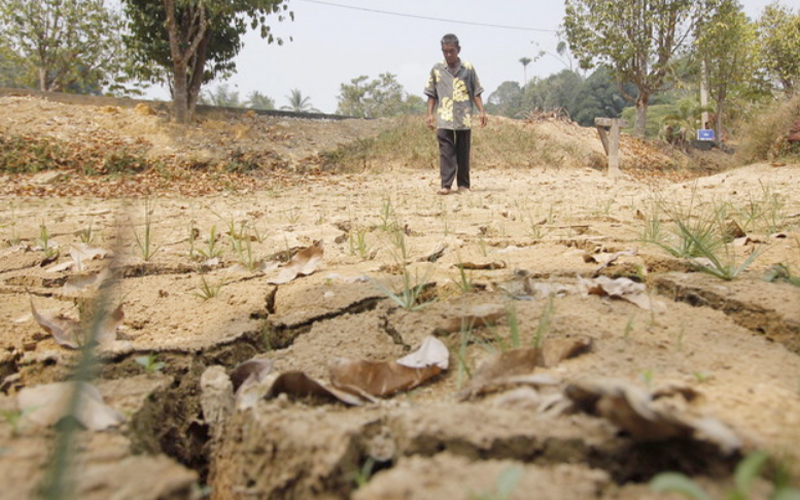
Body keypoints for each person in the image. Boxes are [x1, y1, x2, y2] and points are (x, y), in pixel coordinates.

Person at [424, 33, 488, 195]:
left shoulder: (468, 69)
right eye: (445, 51)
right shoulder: (437, 69)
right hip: (444, 117)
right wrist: (429, 114)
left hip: (463, 117)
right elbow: (431, 94)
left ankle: (463, 184)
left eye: (451, 51)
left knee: (463, 152)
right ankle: (446, 185)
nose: (448, 55)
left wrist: (481, 111)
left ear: (458, 50)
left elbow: (476, 92)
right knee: (446, 152)